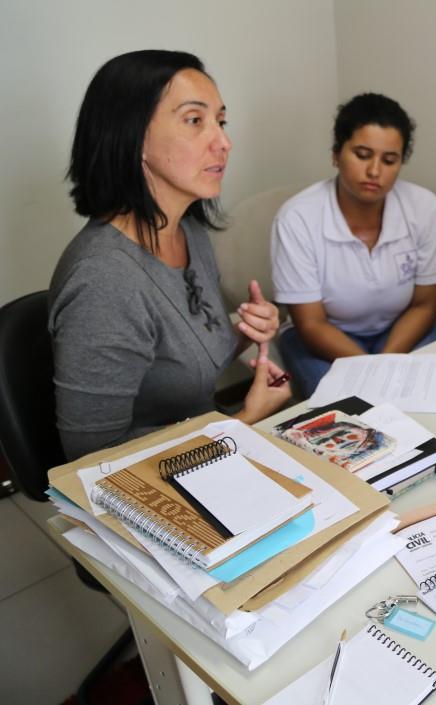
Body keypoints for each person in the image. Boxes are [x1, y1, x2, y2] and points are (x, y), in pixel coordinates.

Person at [50, 50, 292, 461]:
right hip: (147, 500)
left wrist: (244, 332)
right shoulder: (104, 281)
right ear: (133, 136)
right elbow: (92, 463)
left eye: (221, 121)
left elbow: (179, 357)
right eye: (195, 121)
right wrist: (243, 422)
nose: (224, 142)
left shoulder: (188, 231)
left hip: (211, 454)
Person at [271, 93, 436, 398]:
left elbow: (425, 304)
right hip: (322, 339)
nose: (374, 171)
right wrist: (372, 374)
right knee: (348, 415)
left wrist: (384, 364)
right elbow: (312, 324)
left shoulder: (424, 208)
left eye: (389, 160)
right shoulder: (297, 218)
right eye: (362, 154)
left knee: (432, 398)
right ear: (336, 153)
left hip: (402, 329)